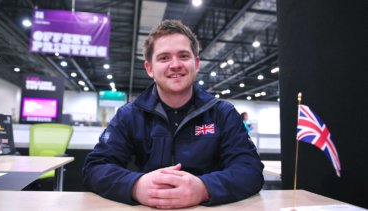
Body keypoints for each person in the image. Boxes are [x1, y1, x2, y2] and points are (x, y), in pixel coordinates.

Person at [82, 20, 264, 209]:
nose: (175, 65)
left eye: (183, 56)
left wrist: (204, 188)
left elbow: (250, 170)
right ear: (149, 69)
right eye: (164, 58)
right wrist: (135, 186)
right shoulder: (129, 115)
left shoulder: (222, 114)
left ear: (196, 63)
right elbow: (95, 168)